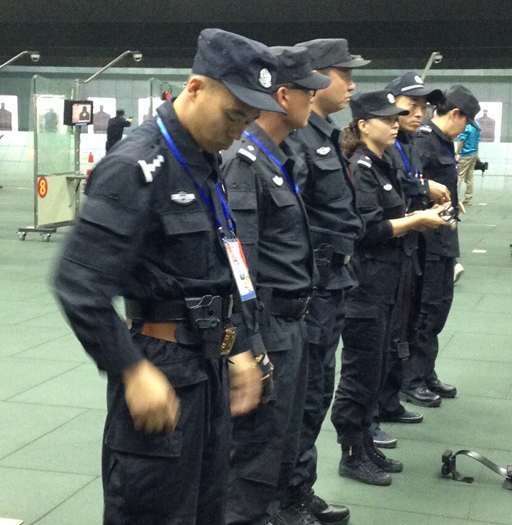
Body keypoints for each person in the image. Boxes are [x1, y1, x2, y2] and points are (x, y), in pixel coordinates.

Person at [53, 28, 285, 524]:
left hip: (209, 366)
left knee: (206, 508)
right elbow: (78, 282)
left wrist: (238, 345)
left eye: (249, 119)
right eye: (232, 115)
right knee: (153, 511)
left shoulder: (205, 163)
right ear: (196, 87)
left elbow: (222, 265)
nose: (239, 130)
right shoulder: (136, 166)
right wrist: (130, 368)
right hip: (161, 367)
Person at [222, 45, 331, 525]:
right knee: (251, 460)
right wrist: (250, 345)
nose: (316, 100)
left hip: (294, 322)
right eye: (309, 92)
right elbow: (238, 264)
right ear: (283, 97)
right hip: (267, 323)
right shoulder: (244, 163)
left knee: (281, 448)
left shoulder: (279, 157)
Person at [330, 90, 448, 486]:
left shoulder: (384, 163)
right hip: (366, 285)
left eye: (396, 117)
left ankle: (365, 443)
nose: (395, 123)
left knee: (379, 365)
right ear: (363, 124)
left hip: (389, 282)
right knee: (360, 371)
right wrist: (417, 222)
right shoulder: (360, 166)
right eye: (386, 118)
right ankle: (350, 453)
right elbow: (365, 231)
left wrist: (419, 215)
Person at [283, 37, 368, 525]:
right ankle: (282, 499)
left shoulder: (326, 135)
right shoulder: (296, 139)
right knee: (299, 400)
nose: (351, 84)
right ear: (313, 80)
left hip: (334, 285)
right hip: (311, 288)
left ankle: (299, 489)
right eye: (343, 73)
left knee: (315, 395)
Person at [372, 72, 446, 439]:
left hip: (408, 250)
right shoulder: (379, 147)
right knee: (375, 341)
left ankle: (388, 400)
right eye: (411, 105)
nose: (419, 113)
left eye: (423, 106)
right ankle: (367, 419)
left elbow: (409, 184)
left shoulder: (410, 143)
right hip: (384, 254)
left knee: (402, 329)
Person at [403, 85, 480, 408]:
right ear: (455, 115)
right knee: (425, 308)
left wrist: (452, 200)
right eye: (467, 122)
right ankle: (411, 378)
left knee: (440, 307)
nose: (466, 128)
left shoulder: (443, 143)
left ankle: (426, 370)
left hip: (444, 236)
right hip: (427, 241)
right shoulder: (423, 140)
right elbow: (410, 183)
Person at [456, 121, 481, 206]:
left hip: (465, 154)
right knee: (469, 177)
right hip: (473, 153)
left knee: (459, 176)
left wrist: (456, 153)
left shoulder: (465, 125)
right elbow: (477, 141)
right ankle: (468, 199)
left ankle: (454, 198)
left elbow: (462, 140)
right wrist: (477, 154)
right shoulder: (477, 124)